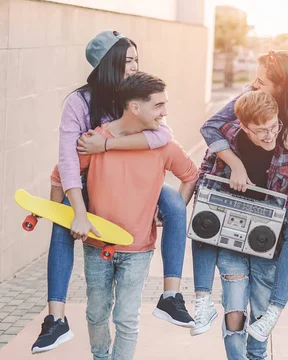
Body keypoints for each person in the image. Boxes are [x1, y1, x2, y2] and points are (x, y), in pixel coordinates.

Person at [32, 31, 193, 355]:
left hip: (136, 183)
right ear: (108, 64)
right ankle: (56, 318)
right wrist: (76, 211)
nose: (134, 66)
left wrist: (107, 144)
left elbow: (163, 136)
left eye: (136, 60)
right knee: (62, 218)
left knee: (174, 203)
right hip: (91, 182)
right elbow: (67, 162)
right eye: (128, 60)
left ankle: (171, 295)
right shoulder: (80, 103)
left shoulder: (136, 95)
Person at [190, 50, 288, 341]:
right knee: (205, 218)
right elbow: (211, 127)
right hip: (253, 184)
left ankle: (275, 310)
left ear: (282, 85)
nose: (255, 83)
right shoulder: (250, 99)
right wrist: (235, 165)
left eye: (262, 80)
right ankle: (202, 299)